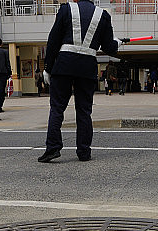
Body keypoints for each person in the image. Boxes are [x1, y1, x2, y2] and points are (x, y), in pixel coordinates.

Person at [37, 0, 123, 163]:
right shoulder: (103, 15)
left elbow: (53, 40)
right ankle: (84, 152)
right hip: (87, 67)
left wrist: (48, 67)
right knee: (84, 111)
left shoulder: (66, 9)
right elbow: (108, 47)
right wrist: (116, 43)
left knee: (57, 108)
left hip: (64, 64)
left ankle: (53, 148)